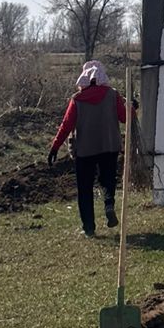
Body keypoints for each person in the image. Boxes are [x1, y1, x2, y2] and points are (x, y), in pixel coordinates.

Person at [49, 61, 127, 238]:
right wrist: (132, 107)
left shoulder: (77, 100)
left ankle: (89, 227)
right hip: (109, 146)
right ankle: (109, 204)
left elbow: (66, 125)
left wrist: (55, 147)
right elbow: (124, 118)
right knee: (108, 179)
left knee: (85, 188)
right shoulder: (113, 95)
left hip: (85, 150)